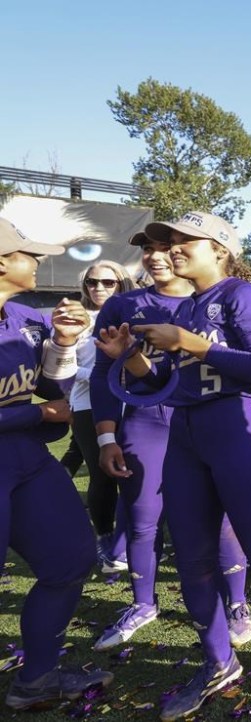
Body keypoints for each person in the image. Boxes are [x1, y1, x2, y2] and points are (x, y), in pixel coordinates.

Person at [95, 211, 251, 721]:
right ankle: (219, 662)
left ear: (220, 248)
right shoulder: (189, 307)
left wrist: (193, 343)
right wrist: (130, 357)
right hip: (184, 434)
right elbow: (167, 381)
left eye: (186, 241)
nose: (174, 248)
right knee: (194, 559)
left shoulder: (243, 295)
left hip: (237, 429)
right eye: (171, 241)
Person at [89, 231, 251, 651]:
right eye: (148, 249)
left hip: (205, 418)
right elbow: (102, 375)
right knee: (142, 518)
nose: (157, 256)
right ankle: (143, 602)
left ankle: (236, 602)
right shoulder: (123, 305)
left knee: (222, 520)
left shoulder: (219, 299)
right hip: (146, 420)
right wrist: (107, 435)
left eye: (166, 247)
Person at [0, 217, 114, 710]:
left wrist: (63, 346)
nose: (37, 260)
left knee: (71, 558)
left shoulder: (23, 317)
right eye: (28, 253)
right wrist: (35, 413)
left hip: (25, 459)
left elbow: (52, 398)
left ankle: (38, 677)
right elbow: (39, 408)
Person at [72, 260, 135, 573]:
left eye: (108, 282)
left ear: (122, 284)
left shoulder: (132, 314)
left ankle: (134, 541)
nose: (99, 288)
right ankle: (105, 541)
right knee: (103, 475)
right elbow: (63, 368)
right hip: (87, 406)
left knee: (135, 474)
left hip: (130, 405)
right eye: (92, 282)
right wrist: (108, 373)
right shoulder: (73, 316)